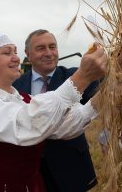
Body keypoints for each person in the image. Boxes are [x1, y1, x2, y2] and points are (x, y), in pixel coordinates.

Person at [0, 32, 107, 192]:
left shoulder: (23, 99)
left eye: (15, 52)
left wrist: (109, 90)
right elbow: (28, 124)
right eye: (7, 52)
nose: (16, 58)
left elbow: (66, 125)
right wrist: (83, 76)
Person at [13, 29, 99, 192]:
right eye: (41, 48)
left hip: (71, 168)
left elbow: (108, 92)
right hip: (32, 173)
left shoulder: (77, 76)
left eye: (52, 47)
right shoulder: (16, 86)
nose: (49, 53)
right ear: (28, 54)